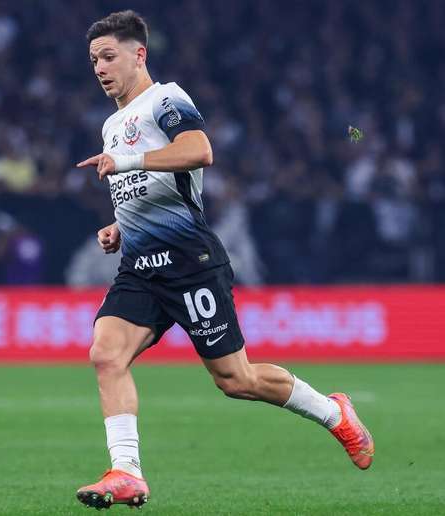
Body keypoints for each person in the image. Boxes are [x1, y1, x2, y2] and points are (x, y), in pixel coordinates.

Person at [73, 11, 374, 510]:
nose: (100, 68)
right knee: (106, 353)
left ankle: (333, 412)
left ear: (138, 54)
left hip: (190, 261)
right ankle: (126, 471)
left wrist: (125, 161)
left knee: (236, 380)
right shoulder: (111, 124)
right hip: (142, 268)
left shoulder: (166, 98)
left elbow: (198, 151)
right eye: (93, 61)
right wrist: (119, 227)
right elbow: (148, 189)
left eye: (108, 57)